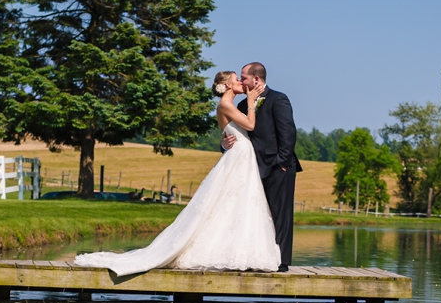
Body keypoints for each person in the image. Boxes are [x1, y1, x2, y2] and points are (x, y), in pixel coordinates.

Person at [75, 72, 280, 275]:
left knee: (237, 204)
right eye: (236, 80)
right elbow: (250, 125)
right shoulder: (225, 105)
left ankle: (241, 252)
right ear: (227, 85)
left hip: (242, 157)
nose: (239, 83)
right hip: (239, 158)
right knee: (228, 202)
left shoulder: (231, 105)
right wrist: (252, 101)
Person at [220, 62, 302, 271]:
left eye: (244, 78)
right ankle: (258, 258)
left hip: (278, 166)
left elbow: (288, 133)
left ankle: (281, 262)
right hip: (251, 168)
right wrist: (223, 144)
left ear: (256, 79)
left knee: (280, 214)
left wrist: (282, 163)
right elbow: (234, 135)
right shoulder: (240, 106)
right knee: (256, 214)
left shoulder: (278, 99)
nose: (241, 81)